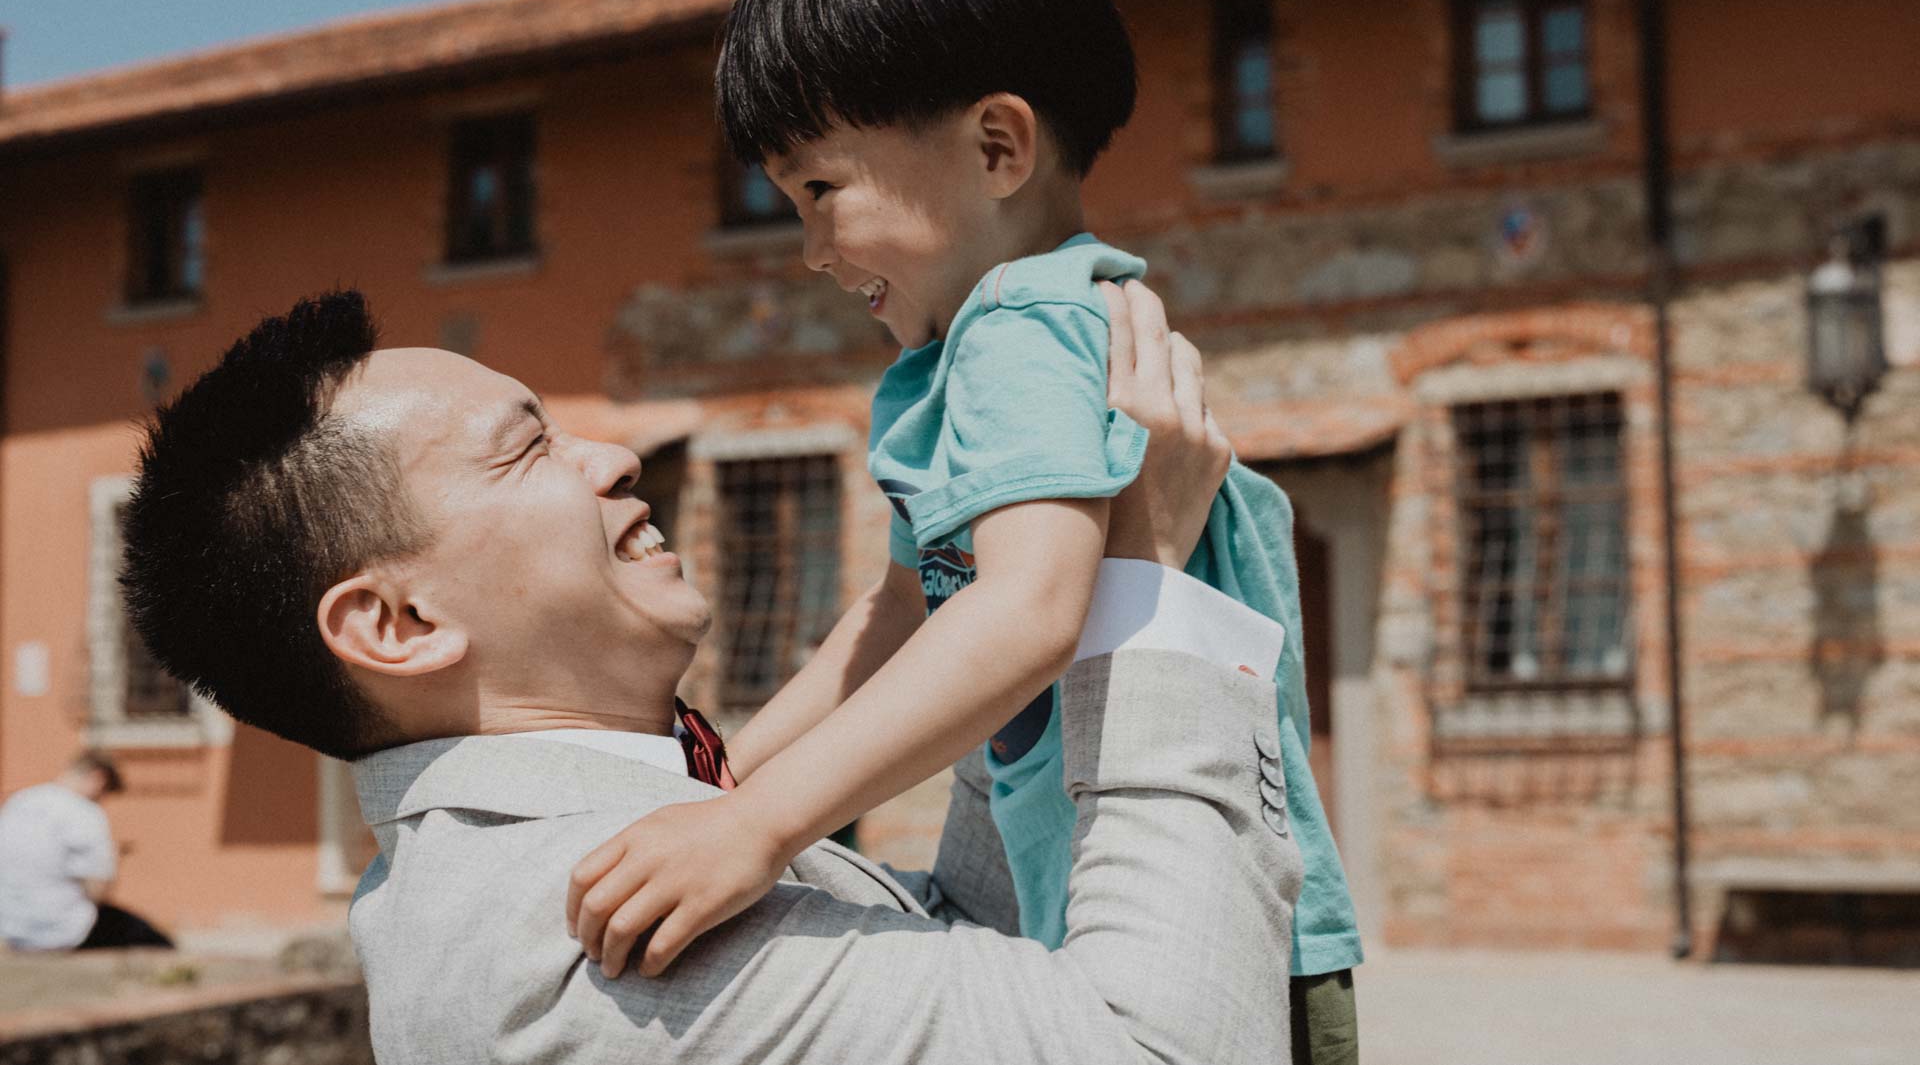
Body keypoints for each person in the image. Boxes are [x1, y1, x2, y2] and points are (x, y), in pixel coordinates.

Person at [572, 0, 1362, 1063]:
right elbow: (899, 608)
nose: (808, 251)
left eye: (821, 190)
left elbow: (1028, 607)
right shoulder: (955, 360)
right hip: (1085, 898)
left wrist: (760, 830)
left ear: (997, 147)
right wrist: (719, 781)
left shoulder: (1024, 327)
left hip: (1211, 930)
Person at [118, 287, 1300, 1063]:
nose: (617, 456)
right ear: (397, 622)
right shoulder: (571, 934)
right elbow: (1164, 1048)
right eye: (529, 449)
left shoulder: (624, 836)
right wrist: (1148, 587)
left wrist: (1005, 598)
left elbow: (956, 970)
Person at [0, 751, 174, 951]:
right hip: (63, 931)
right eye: (104, 793)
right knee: (160, 944)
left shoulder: (19, 802)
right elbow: (98, 892)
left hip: (13, 930)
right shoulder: (84, 812)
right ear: (98, 779)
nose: (102, 800)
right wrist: (113, 860)